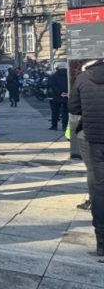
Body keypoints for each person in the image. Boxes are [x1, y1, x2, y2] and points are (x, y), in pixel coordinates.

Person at [68, 57, 104, 260]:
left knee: (100, 188)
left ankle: (102, 242)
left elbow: (73, 108)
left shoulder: (83, 78)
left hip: (95, 138)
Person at [48, 62, 69, 132]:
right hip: (67, 95)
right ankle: (65, 126)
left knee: (55, 111)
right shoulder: (70, 75)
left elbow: (53, 86)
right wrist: (67, 93)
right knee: (66, 112)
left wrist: (60, 93)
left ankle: (54, 125)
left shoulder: (54, 75)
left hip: (56, 95)